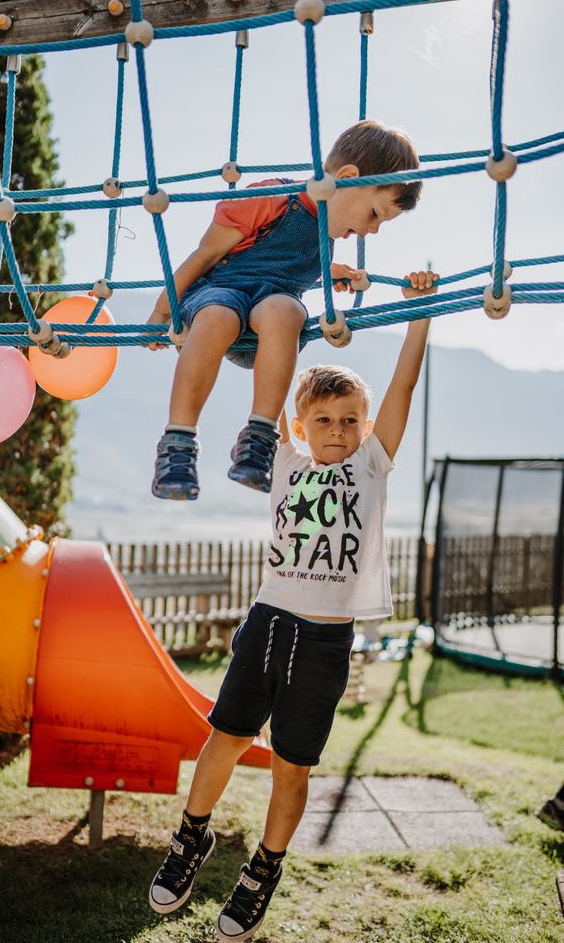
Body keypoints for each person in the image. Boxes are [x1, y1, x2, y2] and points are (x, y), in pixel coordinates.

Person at [148, 269, 438, 942]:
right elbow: (273, 373)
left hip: (325, 642)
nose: (336, 430)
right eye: (322, 420)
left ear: (362, 427)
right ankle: (192, 838)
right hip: (269, 623)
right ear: (300, 425)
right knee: (224, 737)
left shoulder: (370, 464)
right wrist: (292, 306)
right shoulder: (281, 459)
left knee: (292, 765)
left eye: (347, 420)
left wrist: (417, 314)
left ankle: (263, 870)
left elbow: (401, 389)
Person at [145, 119, 423, 501]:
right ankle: (178, 443)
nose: (372, 230)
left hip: (267, 323)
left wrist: (331, 274)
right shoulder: (273, 198)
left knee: (287, 311)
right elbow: (205, 254)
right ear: (346, 177)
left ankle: (259, 437)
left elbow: (290, 271)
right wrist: (165, 312)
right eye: (375, 214)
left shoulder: (326, 236)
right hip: (220, 294)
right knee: (218, 316)